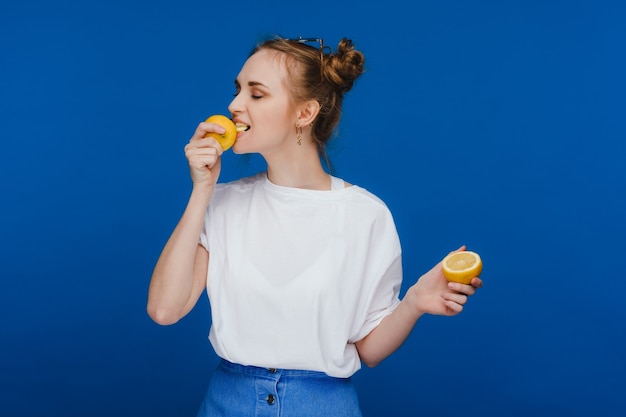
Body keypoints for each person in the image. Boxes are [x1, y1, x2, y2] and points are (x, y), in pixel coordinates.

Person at [147, 35, 483, 417]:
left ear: (305, 113)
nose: (234, 105)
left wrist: (415, 303)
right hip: (227, 403)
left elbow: (368, 350)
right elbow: (164, 310)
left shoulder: (365, 215)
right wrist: (202, 190)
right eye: (238, 90)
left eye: (256, 95)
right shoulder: (221, 203)